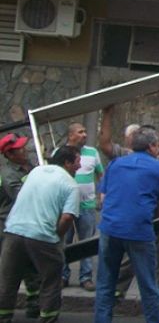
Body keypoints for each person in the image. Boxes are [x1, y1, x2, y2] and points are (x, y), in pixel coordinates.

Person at [98, 87, 159, 304]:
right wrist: (107, 114)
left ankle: (154, 301)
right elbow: (105, 145)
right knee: (133, 258)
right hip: (142, 217)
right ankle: (117, 292)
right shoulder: (127, 156)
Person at [94, 127, 159, 323]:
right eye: (158, 146)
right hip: (139, 230)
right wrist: (147, 215)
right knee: (148, 286)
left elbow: (104, 199)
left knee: (105, 284)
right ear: (151, 146)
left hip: (109, 229)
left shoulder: (115, 164)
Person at [0, 145, 81, 323]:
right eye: (77, 162)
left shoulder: (36, 172)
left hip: (14, 230)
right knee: (51, 279)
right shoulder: (71, 185)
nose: (80, 166)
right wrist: (56, 236)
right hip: (43, 236)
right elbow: (67, 218)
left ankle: (3, 317)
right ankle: (47, 318)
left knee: (8, 280)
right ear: (67, 163)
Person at [0, 133, 41, 317]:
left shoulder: (30, 166)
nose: (25, 150)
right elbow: (21, 198)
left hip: (27, 224)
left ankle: (34, 305)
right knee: (10, 272)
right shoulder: (8, 174)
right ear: (9, 155)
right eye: (19, 149)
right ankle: (5, 313)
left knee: (32, 267)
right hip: (9, 227)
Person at [60, 123, 104, 291]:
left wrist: (102, 195)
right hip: (66, 207)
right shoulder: (60, 153)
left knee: (87, 242)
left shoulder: (93, 152)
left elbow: (101, 175)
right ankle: (63, 276)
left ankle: (85, 277)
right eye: (80, 132)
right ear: (71, 135)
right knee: (65, 241)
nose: (85, 134)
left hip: (87, 206)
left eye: (85, 131)